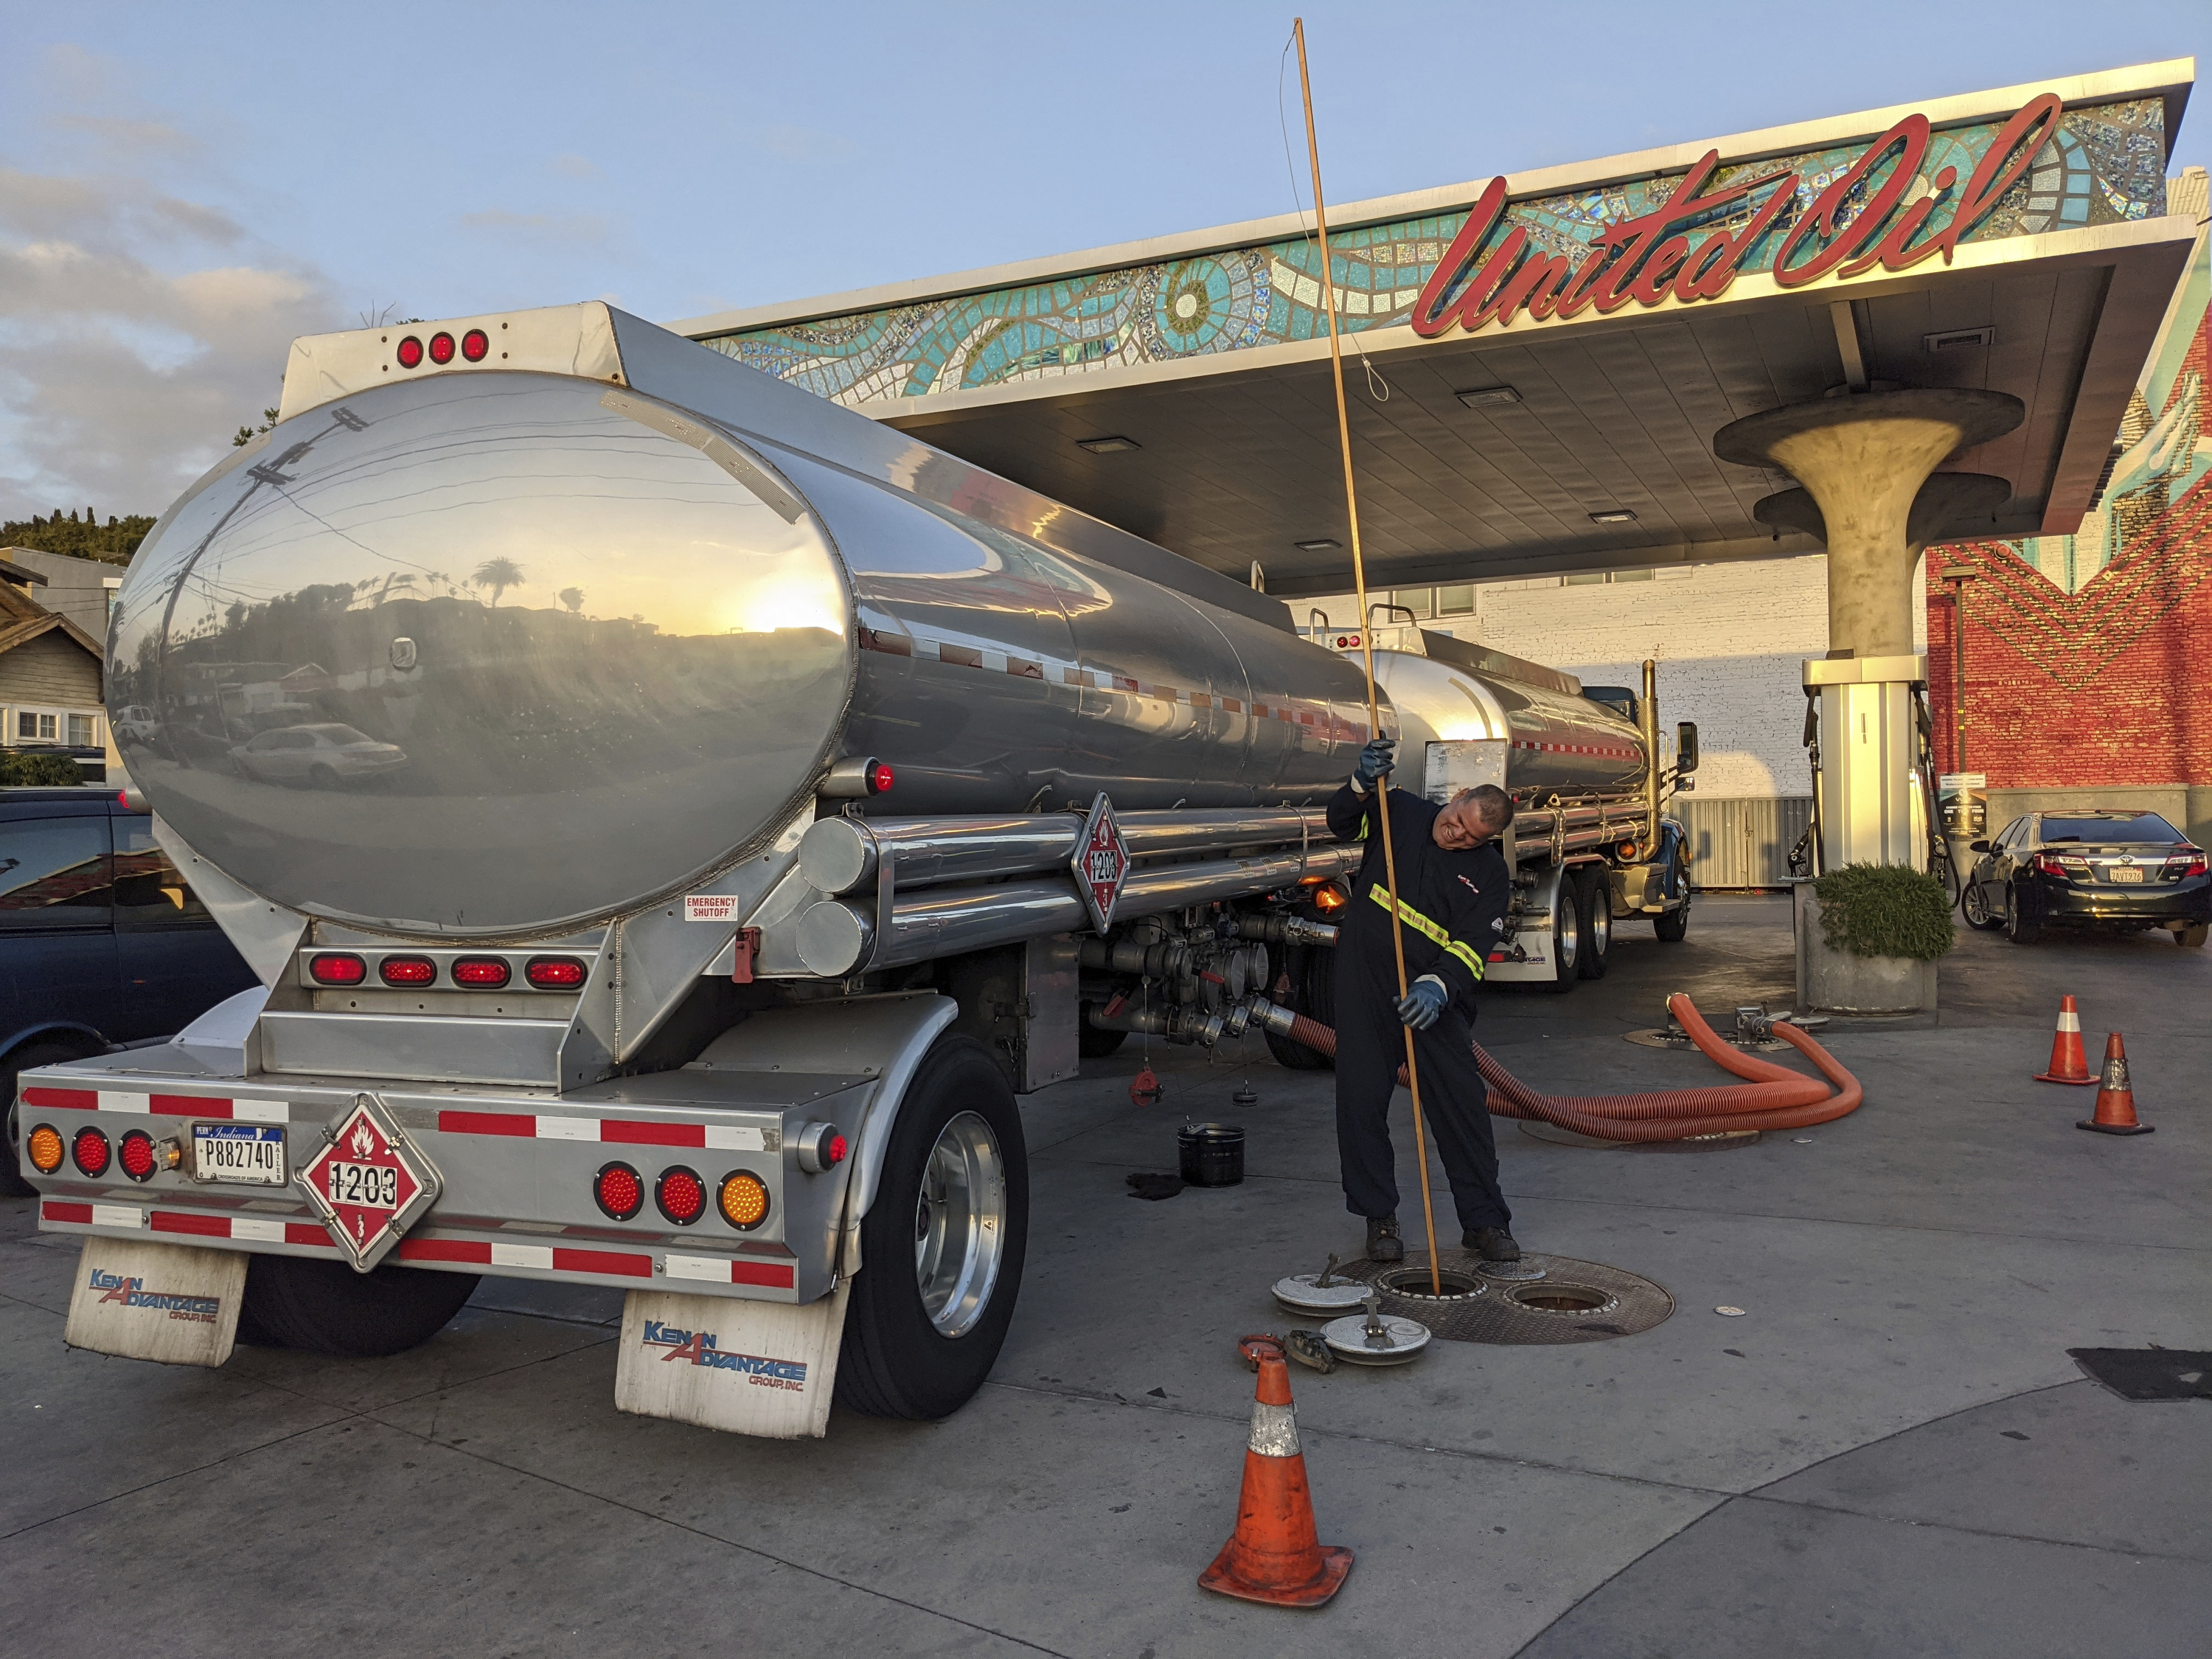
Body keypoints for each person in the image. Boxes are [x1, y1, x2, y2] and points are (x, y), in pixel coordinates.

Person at [1325, 736, 1521, 1264]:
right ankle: (1379, 1218)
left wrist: (1438, 986)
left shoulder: (1490, 875)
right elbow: (1342, 822)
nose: (1455, 836)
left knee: (1463, 1108)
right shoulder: (1400, 811)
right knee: (1361, 1104)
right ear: (1455, 798)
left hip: (1431, 998)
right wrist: (1362, 783)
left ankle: (1485, 1222)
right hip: (1364, 984)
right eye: (1456, 821)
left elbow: (1474, 945)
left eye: (1470, 838)